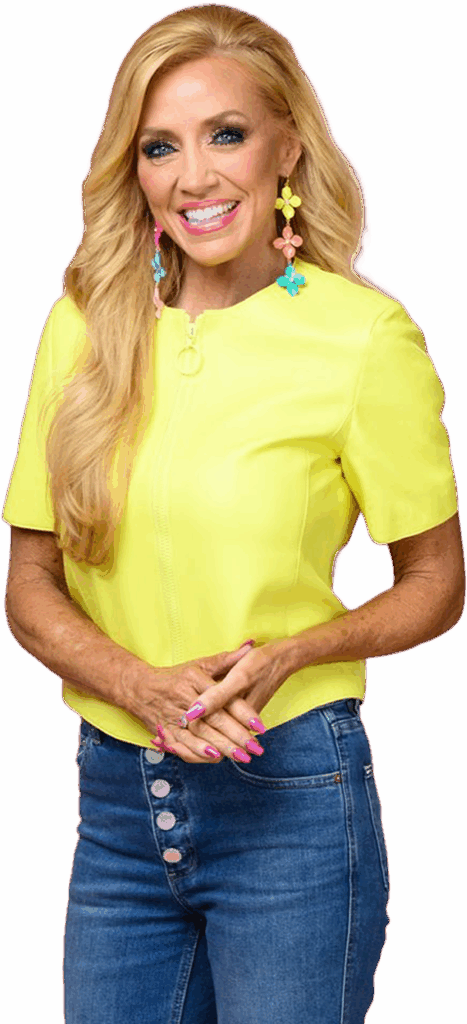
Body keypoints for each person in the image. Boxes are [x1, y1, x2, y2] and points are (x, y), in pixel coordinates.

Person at [3, 5, 464, 1022]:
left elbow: (436, 582)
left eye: (226, 134)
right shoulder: (82, 326)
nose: (193, 177)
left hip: (288, 793)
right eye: (159, 146)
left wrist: (296, 651)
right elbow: (28, 581)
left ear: (285, 145)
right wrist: (135, 684)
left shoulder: (359, 338)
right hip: (117, 803)